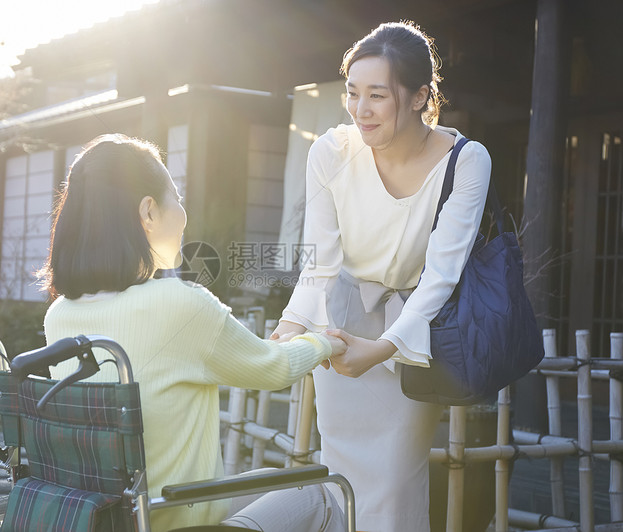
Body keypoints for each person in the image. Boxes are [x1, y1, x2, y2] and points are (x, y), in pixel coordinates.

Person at [39, 134, 347, 532]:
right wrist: (327, 341)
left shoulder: (59, 315)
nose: (183, 212)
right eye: (177, 197)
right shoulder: (180, 304)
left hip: (105, 519)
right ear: (148, 212)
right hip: (175, 518)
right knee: (318, 493)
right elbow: (272, 369)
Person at [271, 21, 492, 531]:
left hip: (411, 335)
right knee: (339, 477)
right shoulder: (330, 152)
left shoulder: (466, 161)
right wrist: (291, 322)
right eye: (352, 93)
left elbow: (441, 274)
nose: (360, 109)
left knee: (394, 481)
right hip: (343, 331)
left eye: (377, 95)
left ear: (419, 97)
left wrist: (386, 347)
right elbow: (321, 260)